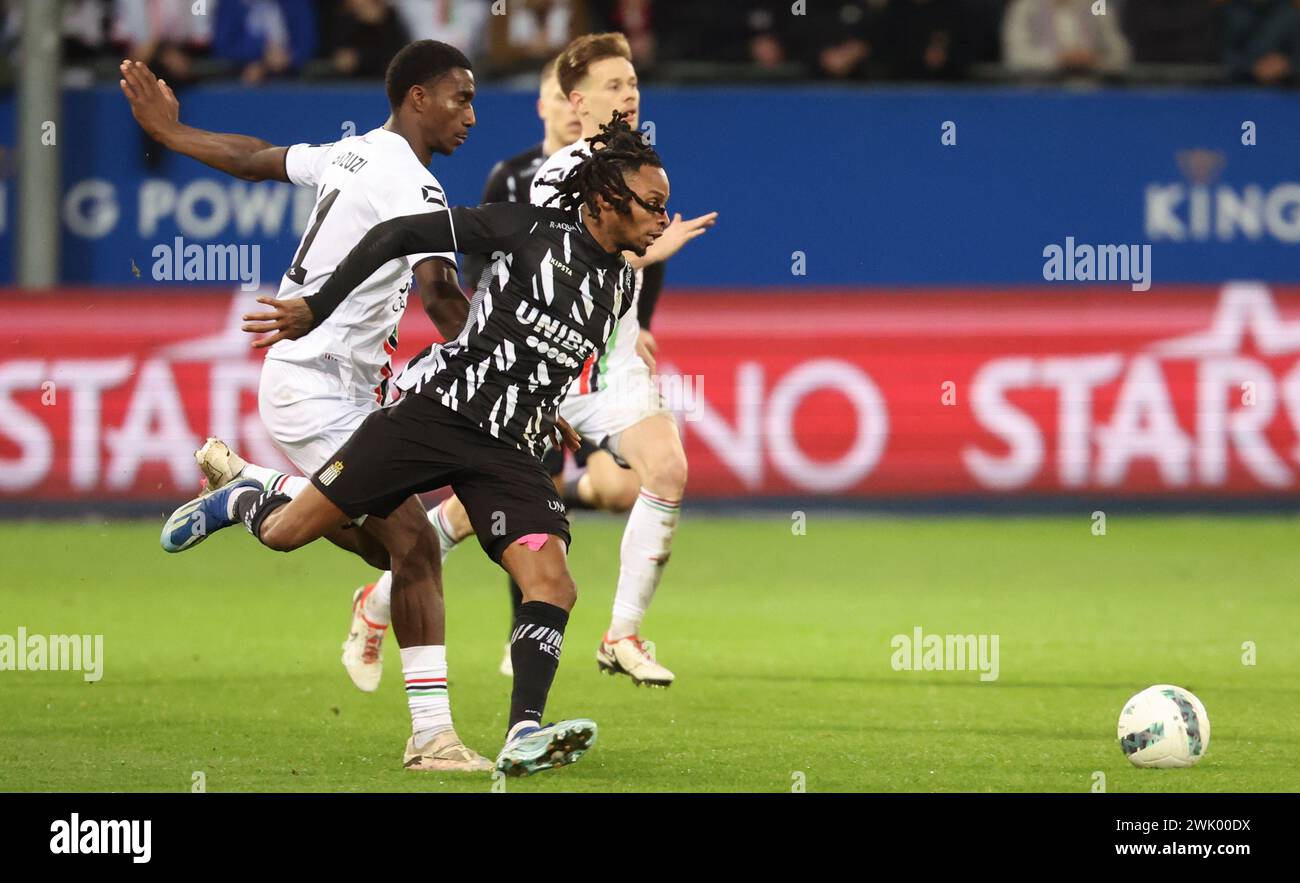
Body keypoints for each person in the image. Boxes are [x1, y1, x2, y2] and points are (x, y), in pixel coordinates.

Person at [161, 114, 672, 776]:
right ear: (606, 200)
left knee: (553, 582)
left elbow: (549, 349)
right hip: (433, 414)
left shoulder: (621, 284)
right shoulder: (523, 228)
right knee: (287, 533)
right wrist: (316, 307)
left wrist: (548, 408)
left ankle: (524, 731)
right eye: (653, 205)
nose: (664, 218)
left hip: (508, 445)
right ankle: (248, 495)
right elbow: (400, 233)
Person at [123, 41, 491, 772]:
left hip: (333, 387)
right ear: (417, 97)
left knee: (391, 551)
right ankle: (430, 738)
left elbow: (255, 156)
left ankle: (256, 494)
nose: (472, 117)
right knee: (416, 544)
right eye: (460, 98)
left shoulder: (353, 153)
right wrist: (509, 359)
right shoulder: (415, 186)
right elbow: (443, 296)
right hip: (317, 384)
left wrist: (172, 134)